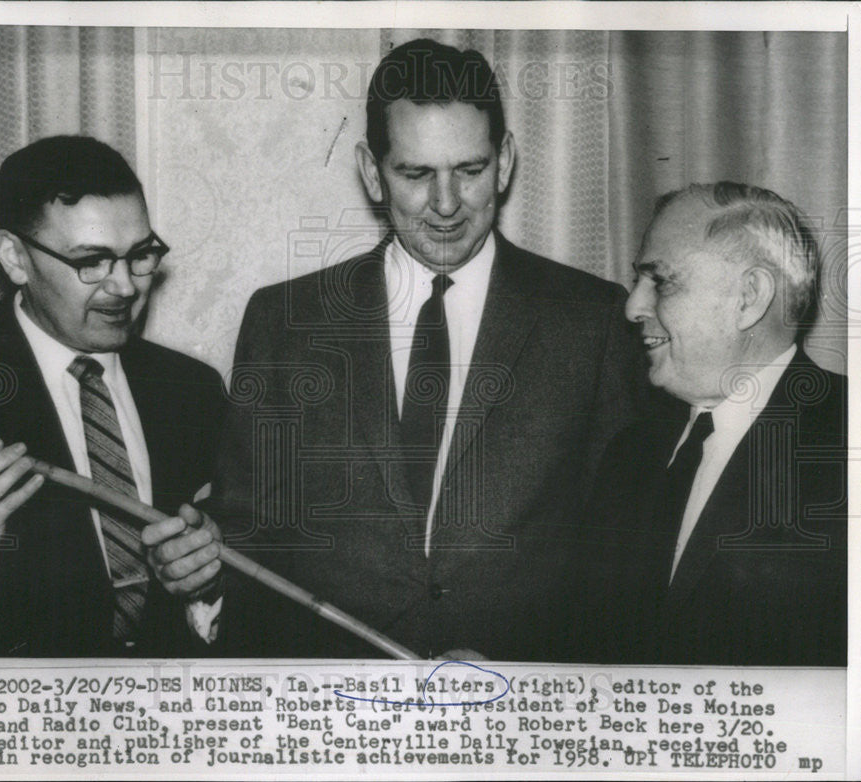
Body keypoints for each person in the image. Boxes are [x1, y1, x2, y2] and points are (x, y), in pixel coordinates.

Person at [213, 39, 643, 660]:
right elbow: (242, 530)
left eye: (469, 171)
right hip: (333, 708)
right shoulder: (284, 321)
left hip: (518, 705)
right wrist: (200, 566)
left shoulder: (593, 319)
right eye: (415, 174)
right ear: (371, 171)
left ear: (506, 161)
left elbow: (620, 551)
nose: (446, 205)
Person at [0, 136, 225, 657]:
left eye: (140, 255)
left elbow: (239, 600)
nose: (125, 286)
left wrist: (205, 587)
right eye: (93, 262)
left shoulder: (191, 389)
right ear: (15, 257)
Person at [584, 182, 847, 666]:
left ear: (748, 297)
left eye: (660, 281)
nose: (632, 307)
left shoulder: (850, 449)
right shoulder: (631, 452)